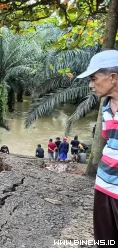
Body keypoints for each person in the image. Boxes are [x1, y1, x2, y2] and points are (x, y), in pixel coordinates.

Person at [77, 50, 118, 243]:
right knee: (105, 240)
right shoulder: (106, 106)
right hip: (103, 184)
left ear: (113, 78)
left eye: (94, 78)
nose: (91, 85)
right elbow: (109, 141)